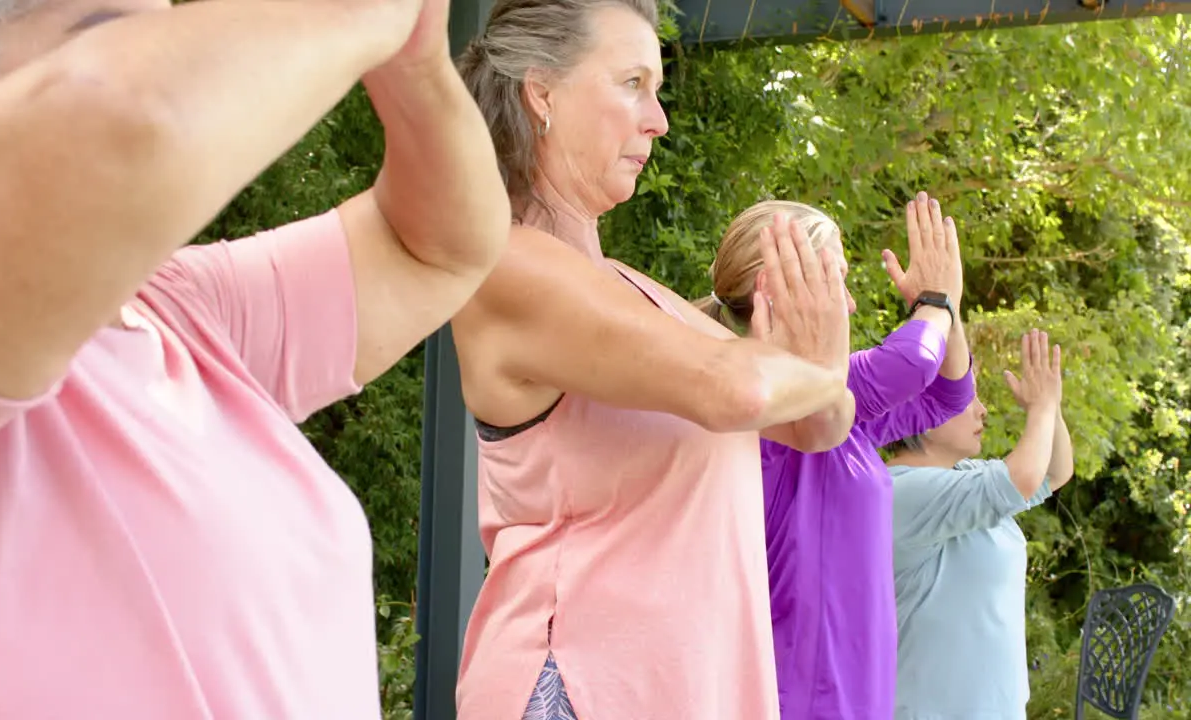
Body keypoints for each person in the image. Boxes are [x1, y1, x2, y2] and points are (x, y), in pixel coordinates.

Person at [0, 0, 510, 717]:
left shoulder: (179, 310)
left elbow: (440, 245)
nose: (172, 56)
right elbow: (124, 123)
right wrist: (362, 11)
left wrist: (412, 62)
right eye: (109, 39)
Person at [449, 1, 861, 718]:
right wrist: (812, 367)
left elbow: (817, 425)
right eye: (633, 82)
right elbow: (740, 391)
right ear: (541, 94)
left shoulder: (638, 295)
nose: (658, 120)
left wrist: (811, 374)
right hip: (575, 686)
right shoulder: (508, 268)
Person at [697, 195, 974, 719]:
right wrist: (937, 301)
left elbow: (946, 395)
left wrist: (946, 310)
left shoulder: (831, 405)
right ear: (773, 289)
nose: (848, 302)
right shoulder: (766, 397)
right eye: (835, 279)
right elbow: (912, 363)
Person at [886, 329, 1076, 720]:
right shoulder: (900, 490)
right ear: (919, 409)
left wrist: (1049, 405)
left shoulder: (962, 476)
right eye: (965, 397)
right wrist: (1039, 411)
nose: (981, 409)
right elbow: (1020, 478)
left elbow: (1054, 472)